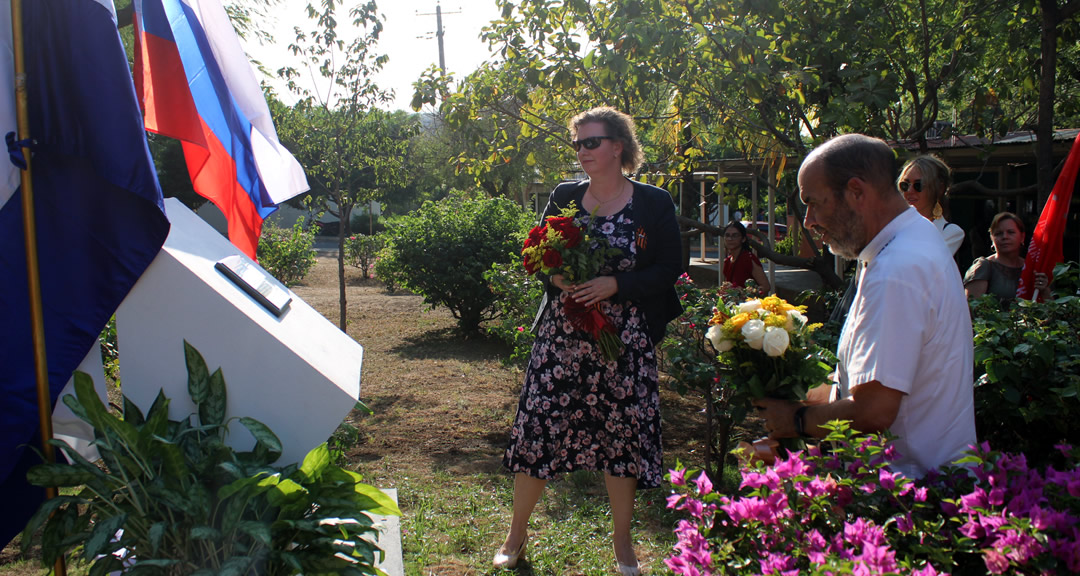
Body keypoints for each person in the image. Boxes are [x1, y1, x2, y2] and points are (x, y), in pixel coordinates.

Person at [496, 107, 683, 575]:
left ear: (618, 146)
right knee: (539, 428)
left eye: (591, 143)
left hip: (624, 341)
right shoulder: (564, 195)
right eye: (577, 144)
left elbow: (668, 269)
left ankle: (623, 544)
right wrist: (558, 278)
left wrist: (616, 286)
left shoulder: (653, 203)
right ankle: (515, 536)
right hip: (562, 340)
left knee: (621, 438)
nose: (582, 152)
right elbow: (539, 252)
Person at [754, 134, 976, 479]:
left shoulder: (897, 270)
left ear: (857, 192)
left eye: (814, 203)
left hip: (913, 498)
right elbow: (888, 380)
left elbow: (874, 411)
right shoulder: (912, 237)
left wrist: (794, 420)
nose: (809, 220)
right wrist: (802, 390)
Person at [964, 212, 1050, 305]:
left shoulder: (1032, 269)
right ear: (992, 238)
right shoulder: (983, 267)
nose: (1005, 237)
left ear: (1022, 237)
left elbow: (1049, 309)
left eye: (1011, 232)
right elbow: (972, 309)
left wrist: (1045, 291)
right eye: (999, 233)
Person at [897, 154, 964, 255]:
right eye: (905, 185)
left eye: (918, 185)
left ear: (939, 189)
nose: (909, 191)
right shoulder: (891, 226)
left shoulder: (950, 232)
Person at [722, 220, 771, 292]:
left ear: (743, 239)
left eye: (735, 235)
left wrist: (745, 293)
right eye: (727, 235)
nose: (730, 239)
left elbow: (765, 287)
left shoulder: (748, 259)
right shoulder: (727, 261)